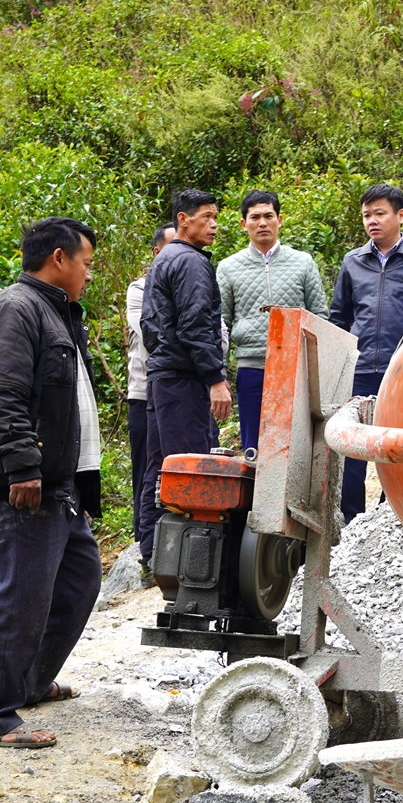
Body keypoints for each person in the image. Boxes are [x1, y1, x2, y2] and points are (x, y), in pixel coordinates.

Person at [0, 217, 103, 749]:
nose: (89, 274)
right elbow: (0, 396)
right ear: (60, 258)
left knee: (78, 582)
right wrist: (23, 467)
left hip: (59, 485)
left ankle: (29, 684)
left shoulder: (56, 313)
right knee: (19, 595)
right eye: (86, 263)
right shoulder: (14, 311)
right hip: (24, 484)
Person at [328, 184, 403, 523]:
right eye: (367, 215)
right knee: (353, 447)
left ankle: (390, 518)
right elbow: (340, 317)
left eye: (380, 213)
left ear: (401, 215)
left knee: (398, 445)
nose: (372, 221)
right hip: (361, 367)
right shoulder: (353, 261)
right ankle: (350, 521)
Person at [137, 189, 229, 566]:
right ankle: (190, 561)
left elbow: (150, 327)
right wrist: (214, 378)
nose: (213, 224)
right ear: (182, 220)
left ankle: (151, 552)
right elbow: (194, 327)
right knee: (190, 467)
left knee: (159, 465)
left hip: (162, 378)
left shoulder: (163, 260)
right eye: (205, 216)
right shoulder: (190, 262)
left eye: (215, 217)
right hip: (184, 381)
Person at [217, 190, 328, 455]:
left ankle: (293, 498)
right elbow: (220, 324)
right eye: (255, 217)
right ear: (244, 224)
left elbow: (320, 318)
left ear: (280, 219)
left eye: (269, 216)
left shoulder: (302, 263)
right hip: (251, 368)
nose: (262, 223)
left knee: (294, 445)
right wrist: (219, 373)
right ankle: (254, 497)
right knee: (253, 447)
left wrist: (318, 370)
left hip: (295, 368)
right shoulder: (228, 267)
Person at [125, 222, 174, 541]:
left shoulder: (197, 281)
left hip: (182, 392)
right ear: (157, 253)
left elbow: (217, 331)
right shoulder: (138, 290)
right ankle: (144, 543)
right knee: (147, 468)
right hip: (144, 392)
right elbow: (151, 335)